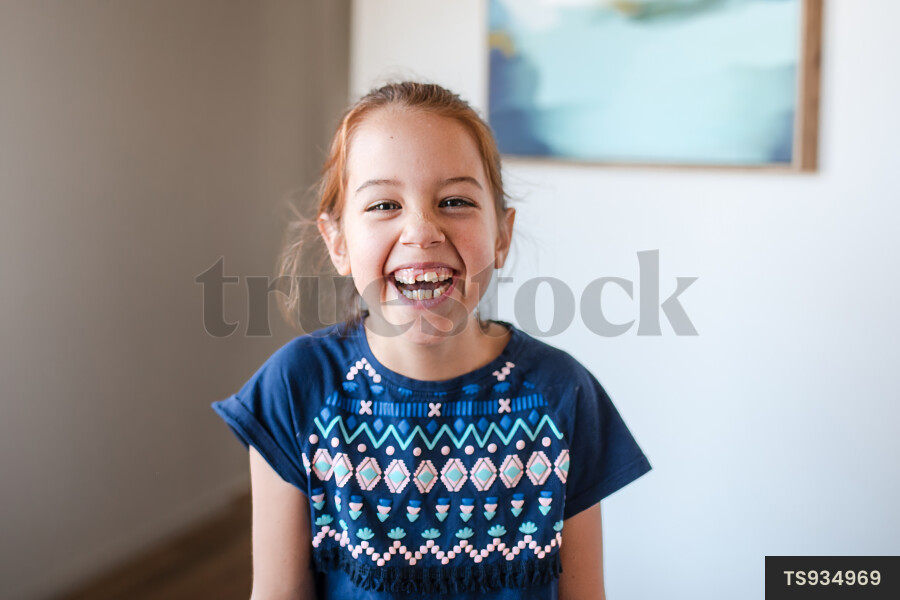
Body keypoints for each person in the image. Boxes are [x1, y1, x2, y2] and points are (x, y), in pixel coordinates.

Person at [212, 81, 651, 599]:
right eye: (382, 205)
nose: (422, 231)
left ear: (501, 235)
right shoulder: (296, 390)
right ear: (337, 242)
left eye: (455, 200)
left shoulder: (562, 394)